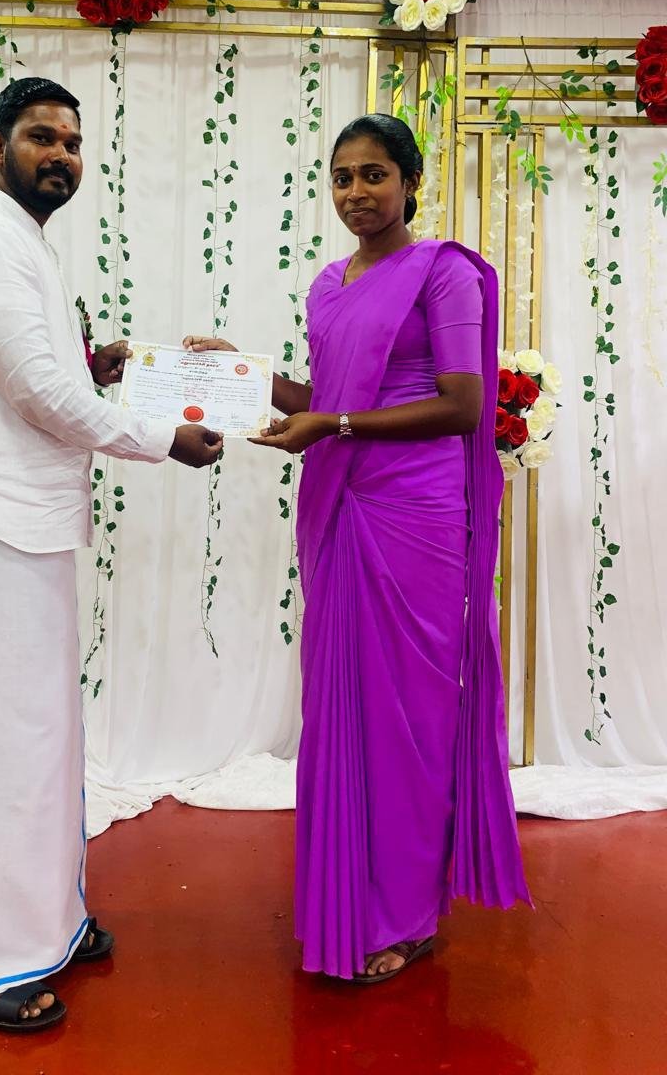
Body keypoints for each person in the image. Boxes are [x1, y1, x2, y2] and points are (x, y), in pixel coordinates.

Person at [185, 113, 529, 982]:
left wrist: (334, 426)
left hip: (416, 518)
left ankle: (406, 915)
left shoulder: (446, 274)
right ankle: (354, 902)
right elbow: (324, 398)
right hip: (341, 510)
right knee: (348, 711)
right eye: (342, 177)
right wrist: (242, 372)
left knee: (410, 715)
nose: (356, 193)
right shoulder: (328, 285)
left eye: (374, 175)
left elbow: (462, 405)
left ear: (411, 181)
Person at [0, 76, 223, 1031]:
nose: (60, 155)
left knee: (41, 739)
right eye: (41, 137)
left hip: (29, 525)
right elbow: (37, 396)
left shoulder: (23, 240)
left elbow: (42, 374)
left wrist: (99, 366)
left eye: (72, 143)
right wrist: (161, 438)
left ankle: (49, 920)